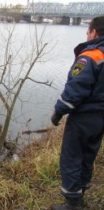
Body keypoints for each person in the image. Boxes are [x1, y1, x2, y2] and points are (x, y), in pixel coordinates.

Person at [51, 16, 104, 210]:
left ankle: (73, 204)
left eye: (88, 31)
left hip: (84, 117)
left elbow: (76, 89)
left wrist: (58, 112)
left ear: (94, 32)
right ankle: (80, 193)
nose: (86, 35)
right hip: (100, 119)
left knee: (72, 157)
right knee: (88, 154)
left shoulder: (91, 56)